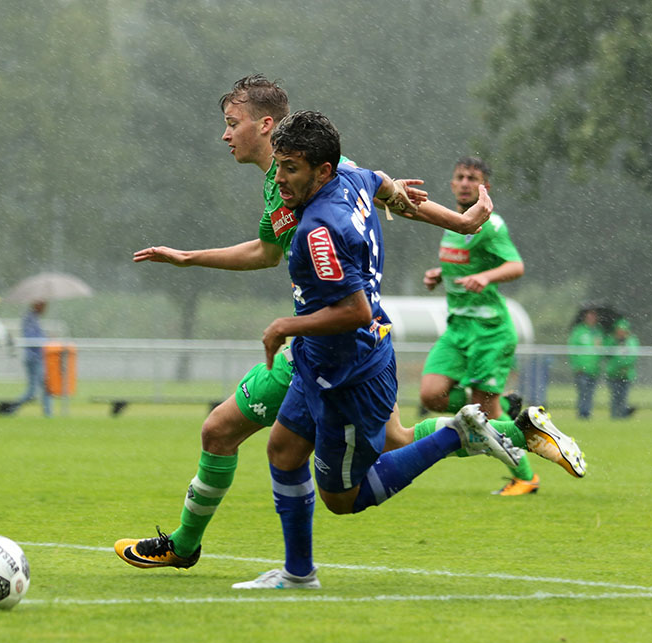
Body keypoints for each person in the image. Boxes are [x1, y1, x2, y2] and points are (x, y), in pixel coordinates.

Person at [115, 74, 508, 571]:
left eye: (232, 124)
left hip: (330, 344)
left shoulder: (321, 175)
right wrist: (189, 258)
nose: (225, 134)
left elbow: (380, 192)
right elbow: (267, 251)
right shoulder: (279, 183)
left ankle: (211, 551)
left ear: (265, 124)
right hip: (336, 339)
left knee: (232, 437)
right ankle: (508, 429)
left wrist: (462, 222)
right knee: (379, 441)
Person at [232, 111, 535, 589]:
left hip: (349, 371)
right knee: (284, 450)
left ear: (322, 171)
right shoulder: (353, 176)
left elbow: (354, 311)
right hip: (319, 358)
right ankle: (297, 573)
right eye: (280, 165)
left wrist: (282, 326)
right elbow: (388, 186)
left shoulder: (319, 230)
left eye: (291, 168)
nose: (281, 178)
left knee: (343, 498)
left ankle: (456, 436)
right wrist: (459, 220)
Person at [418, 157, 543, 496]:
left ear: (484, 186)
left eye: (472, 178)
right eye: (459, 177)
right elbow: (462, 263)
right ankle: (502, 410)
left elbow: (515, 265)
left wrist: (485, 277)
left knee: (483, 411)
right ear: (450, 183)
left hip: (490, 331)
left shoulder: (491, 224)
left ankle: (526, 477)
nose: (463, 183)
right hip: (458, 329)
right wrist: (440, 274)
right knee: (431, 394)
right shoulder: (452, 223)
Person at [0, 300, 52, 416]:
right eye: (44, 306)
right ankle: (10, 409)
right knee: (38, 389)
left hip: (36, 358)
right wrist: (45, 340)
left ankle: (11, 409)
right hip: (34, 358)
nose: (45, 309)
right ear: (37, 305)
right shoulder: (30, 319)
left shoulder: (33, 319)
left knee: (39, 389)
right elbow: (31, 338)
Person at [569, 308, 603, 419]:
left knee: (590, 393)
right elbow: (572, 349)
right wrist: (576, 366)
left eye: (593, 316)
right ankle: (582, 413)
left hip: (594, 369)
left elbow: (603, 350)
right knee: (583, 392)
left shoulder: (598, 332)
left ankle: (587, 413)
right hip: (582, 369)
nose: (591, 319)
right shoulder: (579, 331)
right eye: (589, 316)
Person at [605, 318, 638, 419]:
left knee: (623, 396)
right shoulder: (611, 340)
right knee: (615, 397)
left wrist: (624, 365)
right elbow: (607, 353)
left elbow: (633, 356)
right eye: (619, 330)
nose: (621, 332)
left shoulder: (631, 341)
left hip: (626, 374)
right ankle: (615, 416)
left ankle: (622, 415)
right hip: (613, 374)